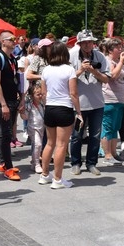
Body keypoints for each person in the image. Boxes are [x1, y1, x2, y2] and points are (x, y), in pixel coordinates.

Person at [37, 41, 81, 189]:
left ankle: (44, 175)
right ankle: (57, 179)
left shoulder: (46, 70)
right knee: (62, 145)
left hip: (50, 107)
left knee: (50, 143)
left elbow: (43, 93)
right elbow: (73, 93)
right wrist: (79, 112)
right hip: (64, 108)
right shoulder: (69, 70)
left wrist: (47, 103)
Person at [68, 30, 108, 176]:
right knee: (77, 135)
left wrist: (94, 71)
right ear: (79, 43)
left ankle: (91, 163)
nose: (87, 45)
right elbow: (66, 79)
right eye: (84, 42)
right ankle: (76, 163)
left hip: (97, 103)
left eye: (90, 42)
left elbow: (107, 79)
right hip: (78, 105)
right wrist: (80, 70)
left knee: (95, 135)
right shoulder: (71, 56)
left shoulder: (100, 56)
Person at [0, 32, 22, 181]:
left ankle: (0, 163)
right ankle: (8, 168)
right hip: (2, 102)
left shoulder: (12, 59)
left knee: (5, 134)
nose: (15, 41)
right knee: (7, 133)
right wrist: (3, 104)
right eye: (12, 39)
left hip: (12, 101)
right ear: (3, 42)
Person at [101, 38, 124, 164]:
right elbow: (113, 76)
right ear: (110, 50)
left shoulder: (118, 61)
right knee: (108, 126)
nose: (121, 49)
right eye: (118, 47)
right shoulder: (108, 61)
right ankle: (107, 154)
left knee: (115, 127)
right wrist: (121, 62)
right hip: (110, 99)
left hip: (121, 100)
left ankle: (113, 152)